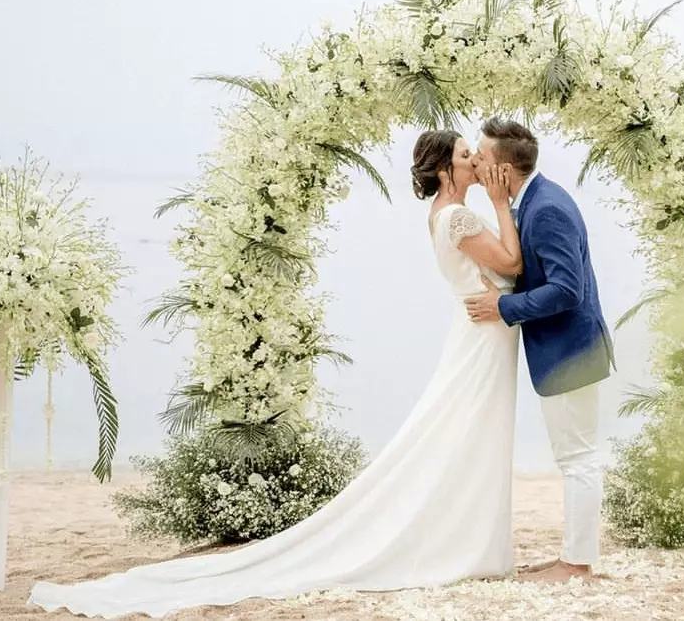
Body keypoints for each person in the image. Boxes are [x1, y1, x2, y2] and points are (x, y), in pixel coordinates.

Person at [27, 130, 526, 618]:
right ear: (445, 170)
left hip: (482, 330)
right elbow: (512, 262)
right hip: (483, 335)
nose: (476, 163)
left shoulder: (445, 213)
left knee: (467, 434)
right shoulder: (457, 214)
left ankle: (467, 538)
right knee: (468, 433)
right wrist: (503, 204)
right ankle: (467, 544)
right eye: (467, 156)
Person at [465, 117, 614, 584]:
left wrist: (503, 306)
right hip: (565, 350)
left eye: (482, 157)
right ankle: (572, 558)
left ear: (504, 171)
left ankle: (576, 564)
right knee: (575, 456)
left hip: (571, 351)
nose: (474, 162)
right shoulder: (531, 202)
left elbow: (566, 290)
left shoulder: (546, 208)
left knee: (579, 459)